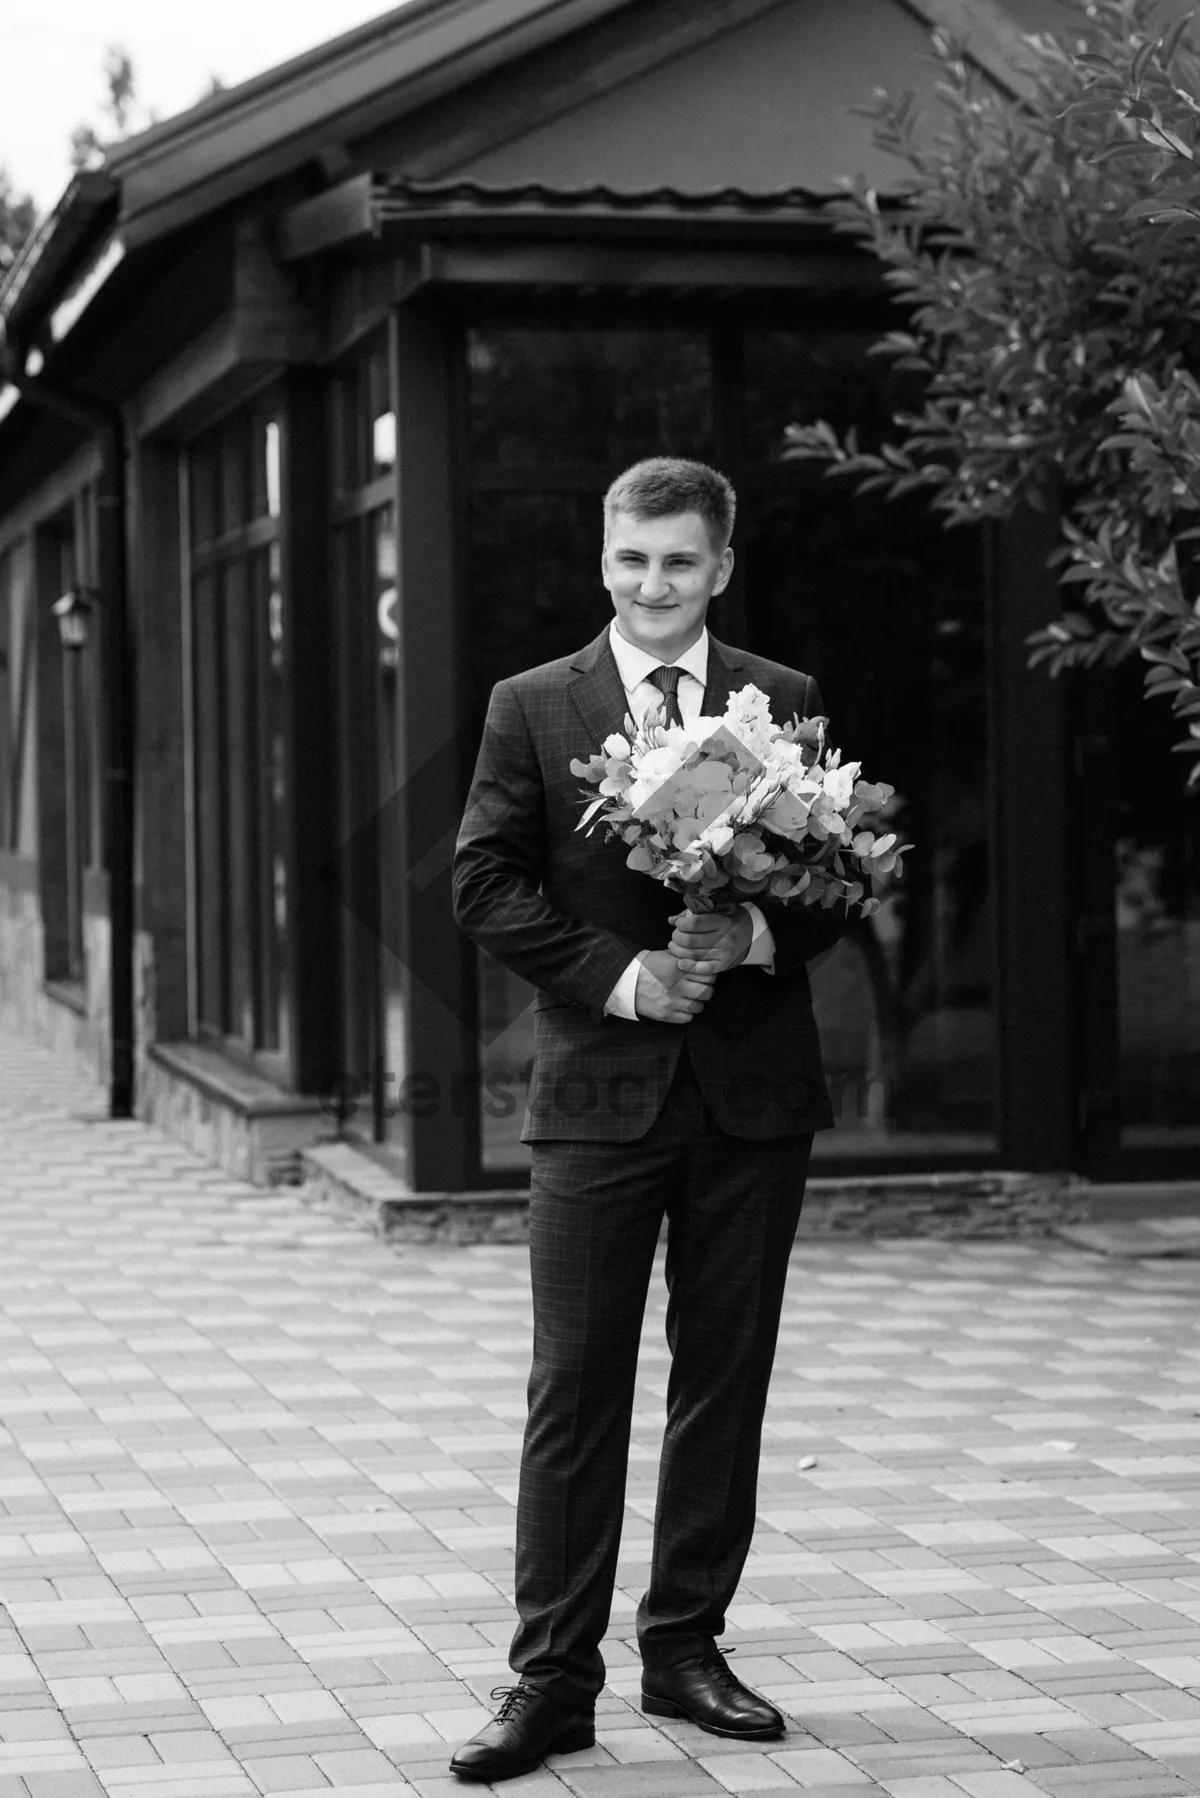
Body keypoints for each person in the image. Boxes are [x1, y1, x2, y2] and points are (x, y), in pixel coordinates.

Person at [450, 457, 846, 1782]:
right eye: (632, 558)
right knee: (575, 1388)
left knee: (723, 1384)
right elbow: (483, 881)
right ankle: (551, 1681)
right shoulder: (530, 704)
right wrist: (623, 977)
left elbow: (836, 888)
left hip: (751, 1098)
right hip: (597, 1095)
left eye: (679, 560)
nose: (653, 583)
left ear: (719, 565)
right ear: (603, 557)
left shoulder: (780, 700)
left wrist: (746, 941)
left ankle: (687, 1647)